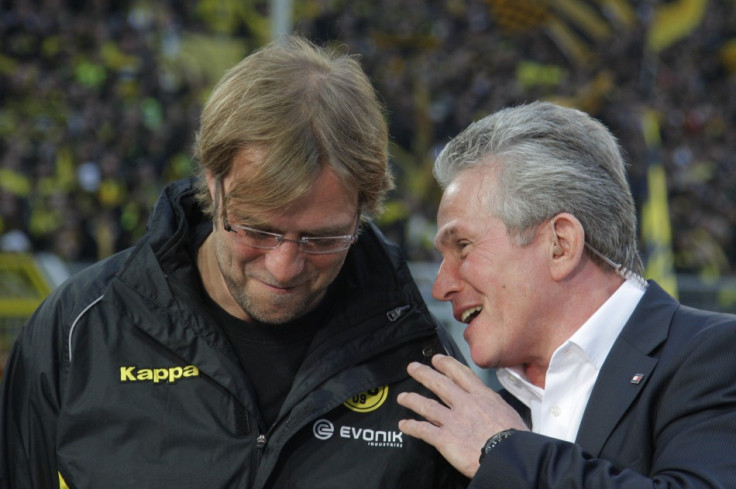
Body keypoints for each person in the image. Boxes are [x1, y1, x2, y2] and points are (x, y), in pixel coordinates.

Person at [0, 36, 468, 489]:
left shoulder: (419, 357)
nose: (284, 266)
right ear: (213, 181)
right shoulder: (78, 332)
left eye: (322, 238)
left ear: (365, 206)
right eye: (257, 230)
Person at [396, 101, 736, 487]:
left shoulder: (717, 356)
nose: (441, 286)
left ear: (560, 244)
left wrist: (507, 451)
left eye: (462, 246)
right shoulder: (485, 415)